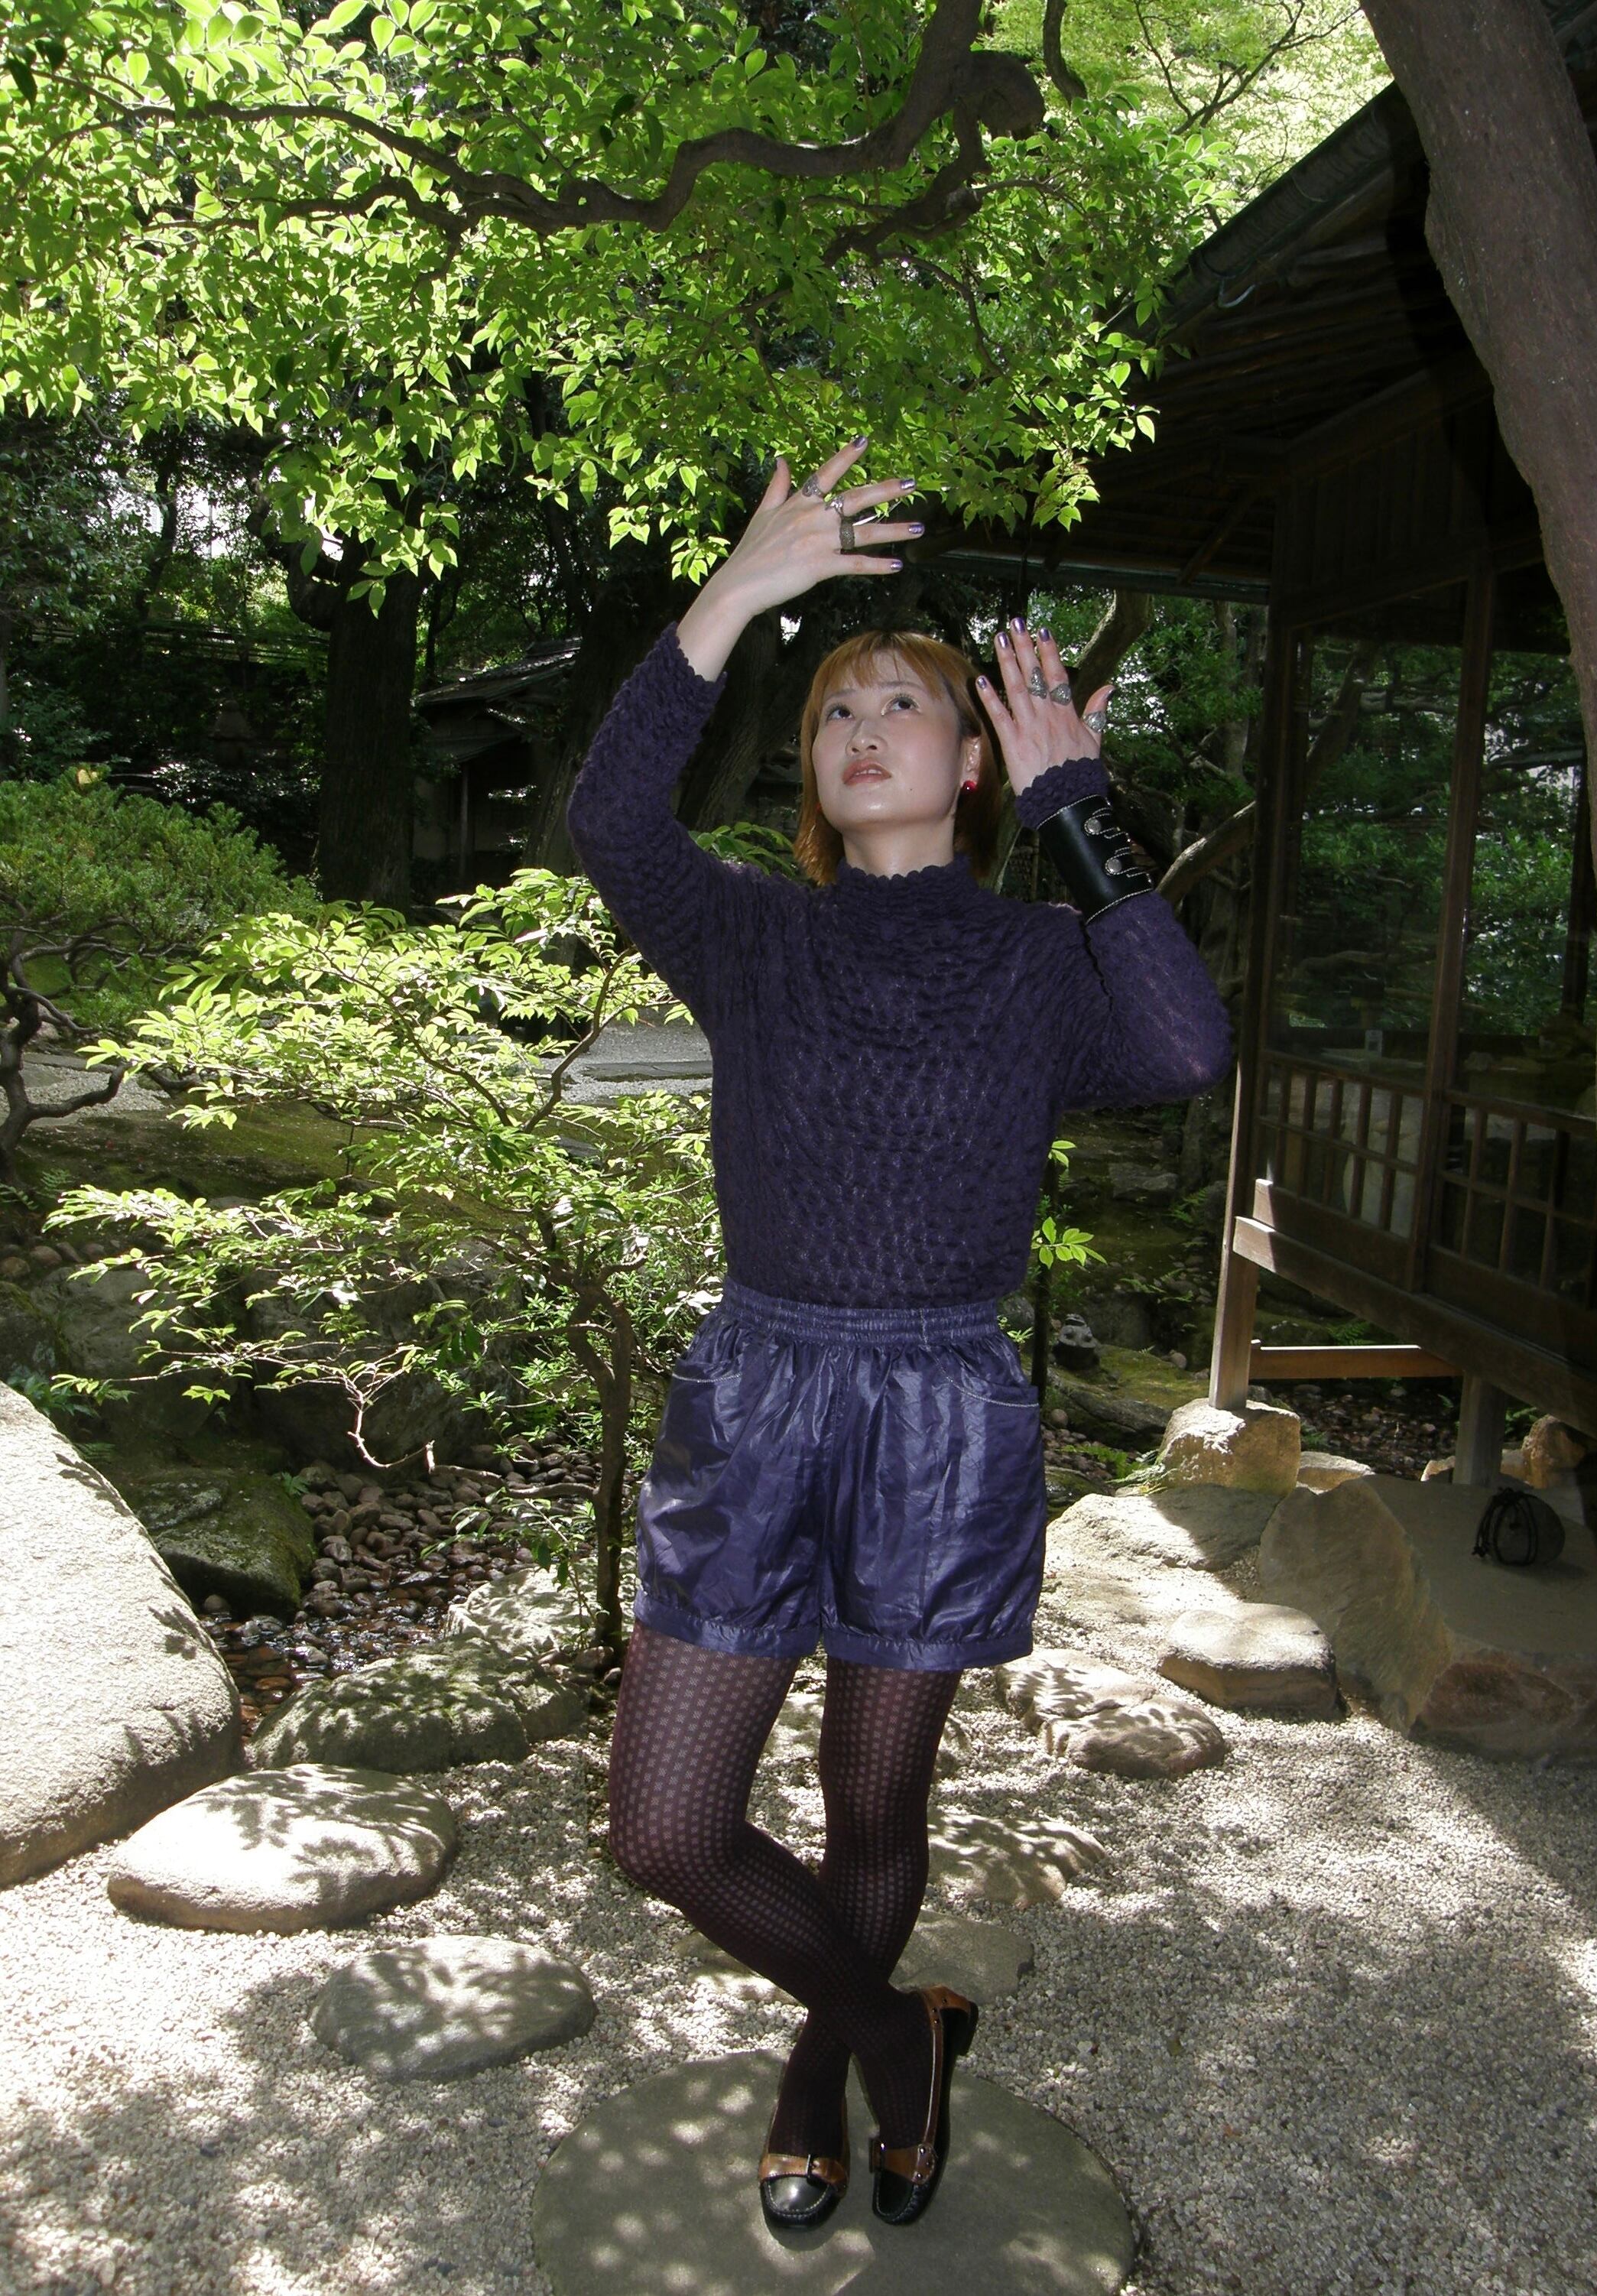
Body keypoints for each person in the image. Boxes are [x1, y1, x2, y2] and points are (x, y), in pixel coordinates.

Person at [564, 434, 1232, 2231]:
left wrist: (1084, 810)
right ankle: (887, 2031)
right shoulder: (748, 936)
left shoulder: (1034, 960)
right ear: (812, 769)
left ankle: (815, 2067)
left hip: (940, 1412)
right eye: (835, 710)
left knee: (872, 1802)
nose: (862, 726)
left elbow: (1182, 1048)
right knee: (667, 1826)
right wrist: (736, 592)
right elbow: (611, 822)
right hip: (758, 1393)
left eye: (903, 703)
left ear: (974, 759)